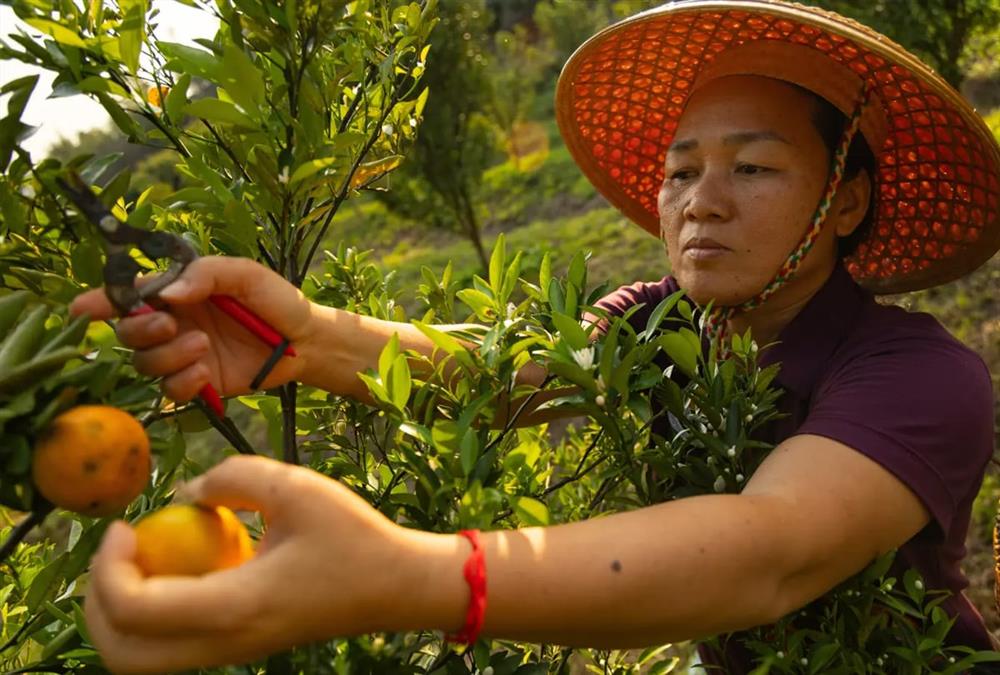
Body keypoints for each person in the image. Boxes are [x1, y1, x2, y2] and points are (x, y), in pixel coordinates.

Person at [70, 1, 1000, 673]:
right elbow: (498, 374)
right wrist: (301, 336)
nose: (700, 202)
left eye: (752, 166)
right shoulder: (655, 324)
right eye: (680, 172)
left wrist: (419, 575)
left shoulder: (920, 375)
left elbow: (771, 551)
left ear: (844, 199)